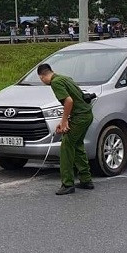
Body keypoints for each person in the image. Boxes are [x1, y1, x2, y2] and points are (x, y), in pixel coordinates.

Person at [37, 63, 94, 195]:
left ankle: (67, 183)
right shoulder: (65, 78)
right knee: (77, 145)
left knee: (66, 147)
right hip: (86, 115)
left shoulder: (55, 83)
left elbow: (69, 101)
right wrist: (65, 120)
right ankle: (86, 179)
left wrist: (63, 121)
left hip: (79, 117)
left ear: (42, 77)